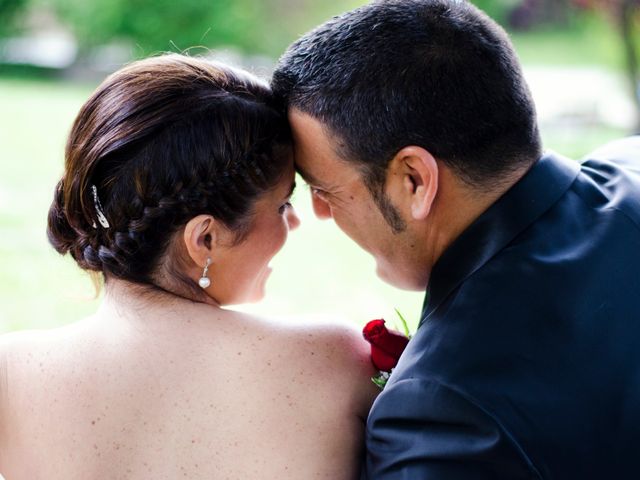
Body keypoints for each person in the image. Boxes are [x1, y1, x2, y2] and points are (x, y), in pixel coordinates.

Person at [272, 0, 640, 478]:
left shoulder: (443, 410)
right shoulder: (630, 161)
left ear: (415, 181)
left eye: (324, 189)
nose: (319, 212)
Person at [0, 54, 378, 479]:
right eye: (282, 204)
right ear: (205, 239)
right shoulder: (337, 359)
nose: (293, 221)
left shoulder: (11, 373)